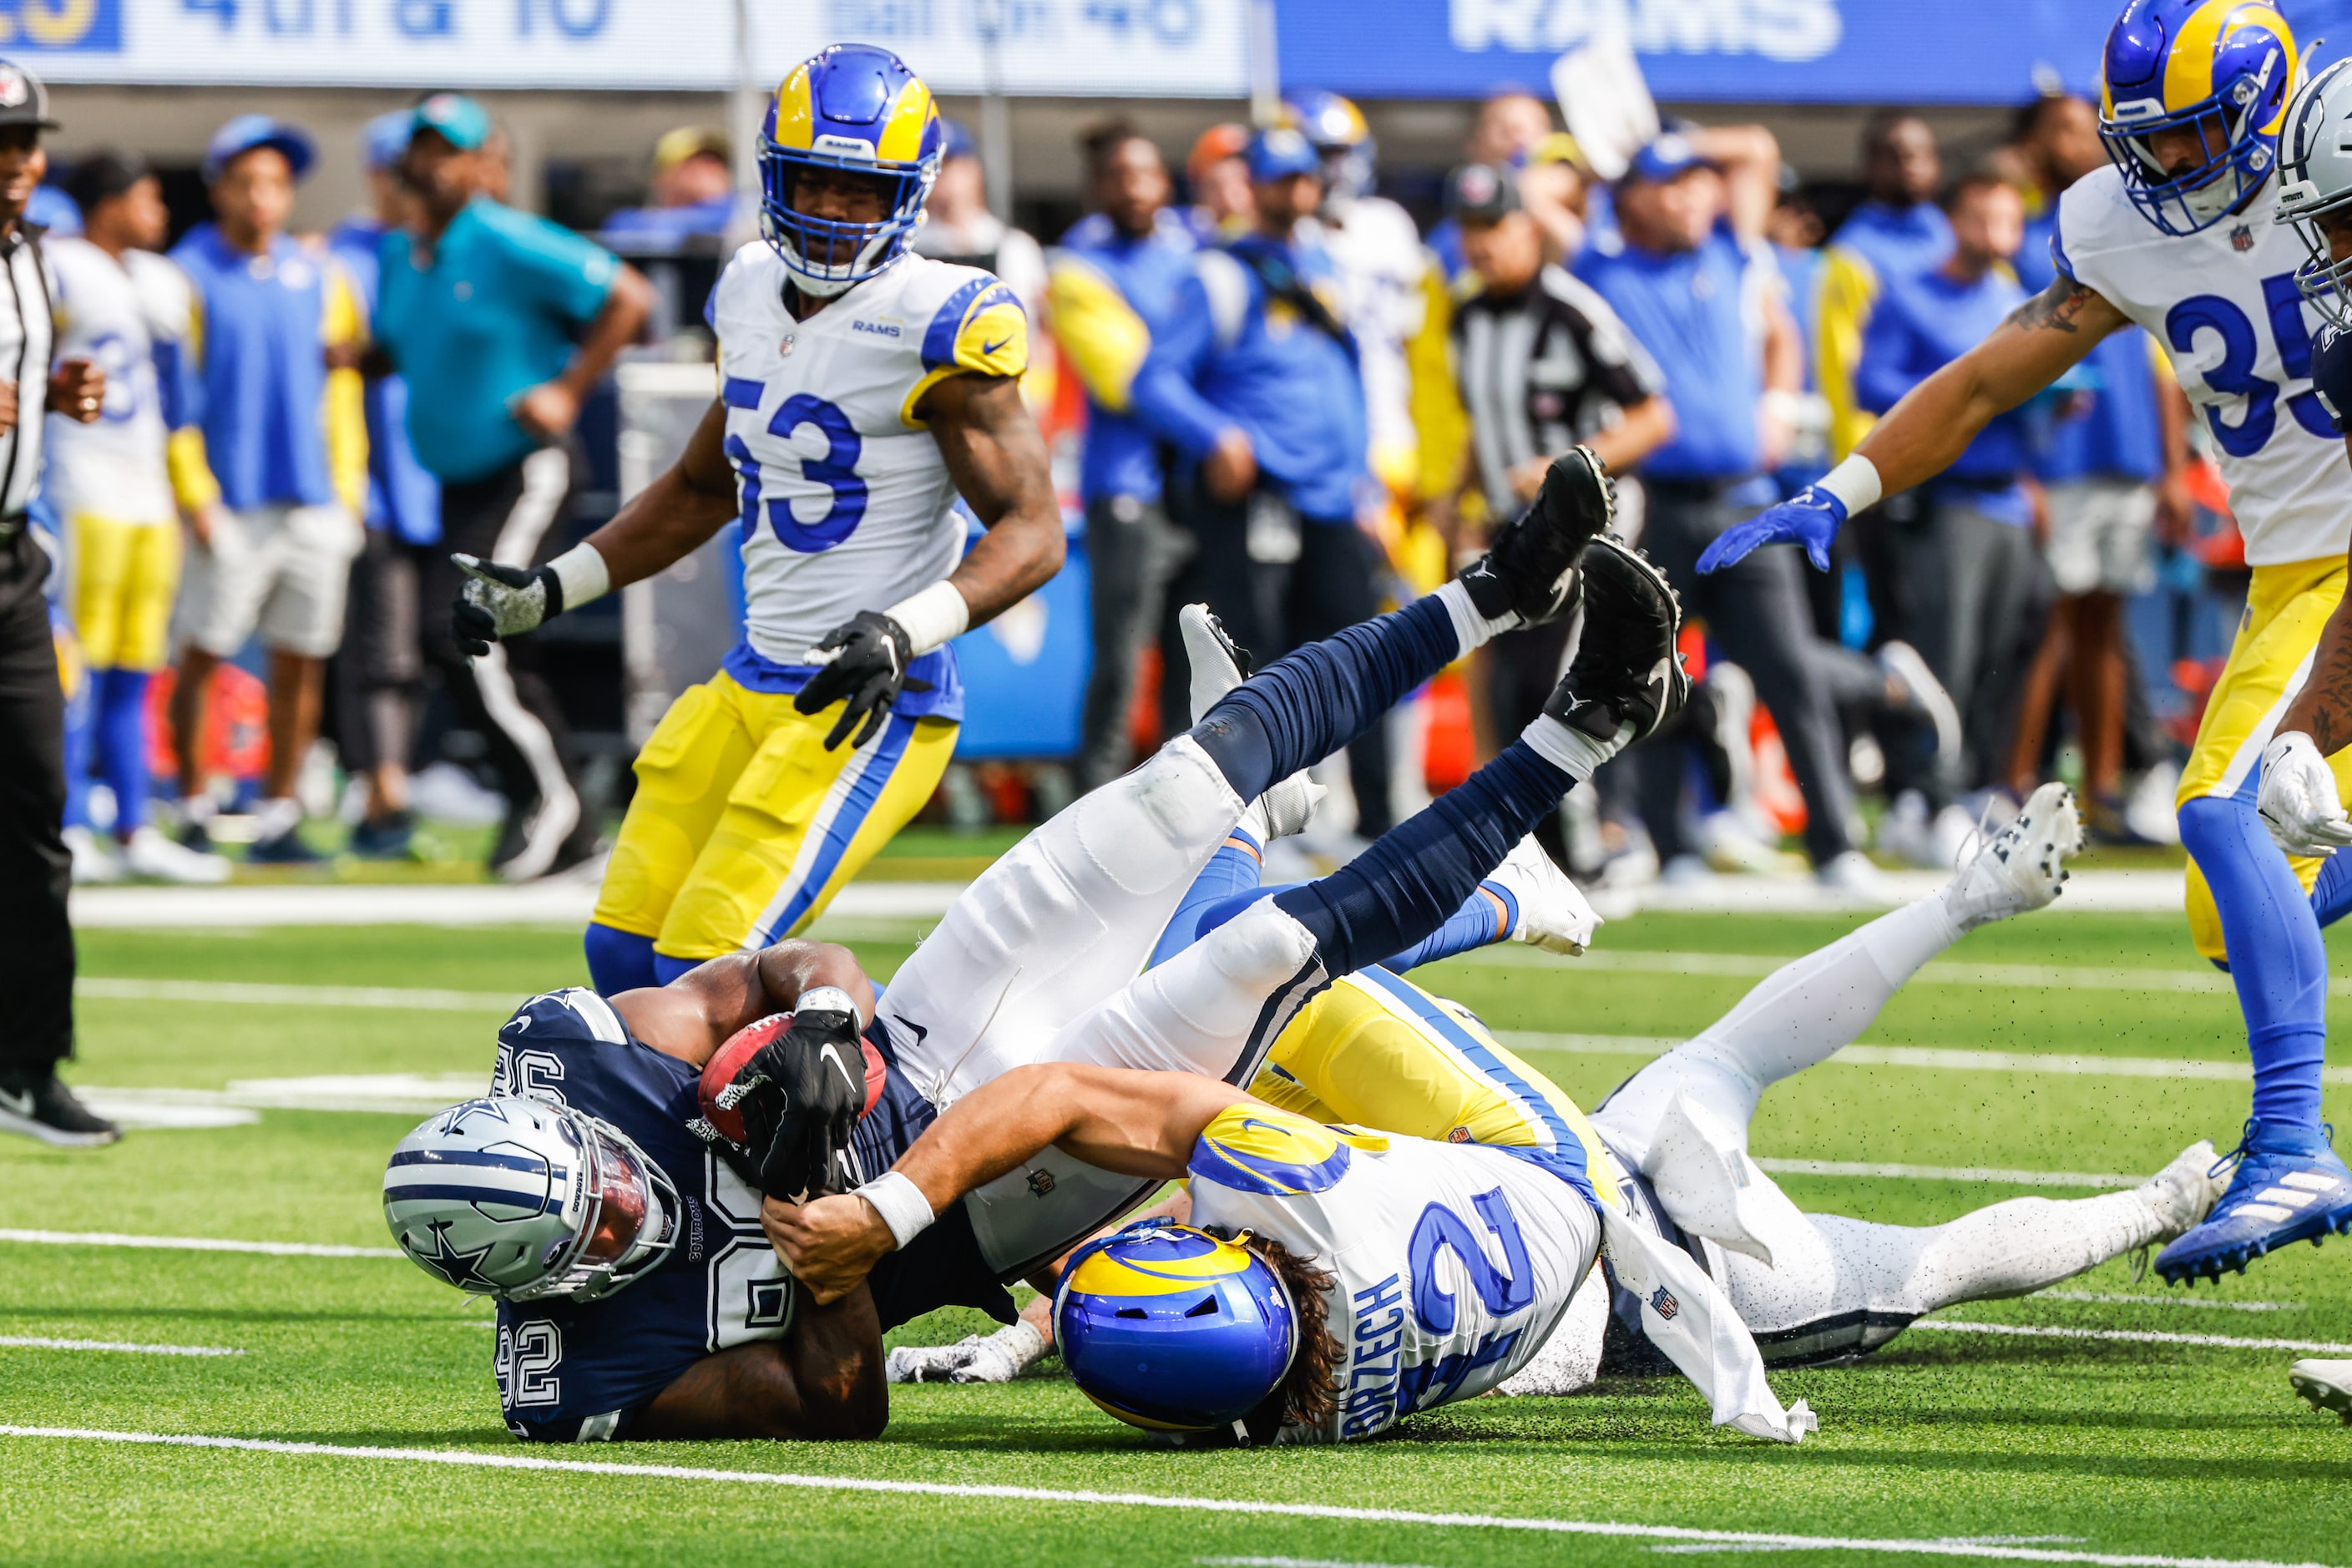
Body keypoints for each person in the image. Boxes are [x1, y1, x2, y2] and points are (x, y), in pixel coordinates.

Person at [379, 445, 1640, 1441]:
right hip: (979, 1203)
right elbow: (838, 1407)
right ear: (534, 1283)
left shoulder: (582, 1060)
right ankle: (1583, 729)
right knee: (1266, 952)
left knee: (1190, 778)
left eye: (601, 1185)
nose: (624, 1210)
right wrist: (837, 1246)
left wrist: (821, 1023)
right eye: (598, 1237)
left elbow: (778, 968)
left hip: (929, 1022)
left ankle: (1495, 592)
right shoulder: (583, 1375)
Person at [1700, 0, 2352, 1287]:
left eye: (2191, 137)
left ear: (2274, 108)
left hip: (2341, 554)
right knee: (2232, 913)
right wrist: (1845, 486)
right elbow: (1991, 377)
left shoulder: (2330, 171)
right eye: (2144, 144)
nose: (2163, 170)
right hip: (2292, 570)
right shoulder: (2120, 228)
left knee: (2226, 810)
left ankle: (2293, 1140)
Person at [896, 785, 2218, 1403]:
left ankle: (2154, 1187)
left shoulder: (1337, 1371)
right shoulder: (1302, 1215)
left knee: (1907, 1241)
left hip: (1617, 1246)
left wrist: (1031, 1333)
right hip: (1608, 1218)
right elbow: (1192, 1183)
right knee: (1898, 1236)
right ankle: (2131, 1155)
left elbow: (1182, 1235)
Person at [451, 48, 1060, 996]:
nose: (829, 210)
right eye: (811, 180)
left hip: (868, 698)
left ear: (909, 194)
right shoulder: (744, 289)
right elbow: (703, 486)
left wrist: (906, 629)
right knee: (620, 952)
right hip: (749, 677)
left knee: (702, 967)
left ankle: (838, 1122)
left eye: (860, 191)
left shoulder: (939, 319)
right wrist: (550, 588)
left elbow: (1032, 530)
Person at [1576, 128, 1893, 896]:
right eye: (1668, 183)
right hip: (1651, 509)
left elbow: (1752, 148)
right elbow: (1551, 197)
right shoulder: (1599, 268)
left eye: (1696, 180)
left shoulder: (1728, 251)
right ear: (1629, 199)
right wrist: (1618, 161)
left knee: (1789, 670)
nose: (1691, 194)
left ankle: (1834, 845)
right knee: (1652, 677)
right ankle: (1668, 841)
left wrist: (1779, 403)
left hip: (1746, 505)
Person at [372, 93, 654, 882]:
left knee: (471, 626)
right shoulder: (402, 255)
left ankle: (554, 803)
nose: (429, 163)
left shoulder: (506, 239)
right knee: (457, 639)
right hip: (458, 482)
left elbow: (631, 296)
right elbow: (402, 345)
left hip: (528, 466)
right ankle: (555, 810)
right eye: (420, 147)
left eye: (446, 149)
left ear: (479, 164)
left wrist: (568, 388)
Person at [1131, 126, 1393, 837]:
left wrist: (1364, 480)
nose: (1293, 192)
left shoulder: (1326, 267)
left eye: (1302, 178)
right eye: (1278, 179)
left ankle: (1376, 819)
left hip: (1333, 497)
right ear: (1254, 185)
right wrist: (1215, 435)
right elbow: (1152, 381)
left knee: (1364, 660)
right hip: (1259, 497)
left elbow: (1346, 384)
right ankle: (1240, 824)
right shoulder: (1219, 273)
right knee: (1254, 662)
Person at [1434, 160, 1672, 865]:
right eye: (1468, 229)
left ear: (1527, 229)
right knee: (1511, 687)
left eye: (1494, 227)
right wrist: (1456, 499)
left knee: (1569, 683)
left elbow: (1652, 417)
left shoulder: (1572, 310)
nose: (1481, 245)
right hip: (1520, 529)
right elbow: (1487, 421)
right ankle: (1534, 851)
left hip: (1595, 521)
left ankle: (1603, 840)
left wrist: (1567, 466)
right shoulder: (1465, 318)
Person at [168, 114, 367, 866]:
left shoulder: (322, 276)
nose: (263, 198)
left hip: (313, 499)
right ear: (219, 188)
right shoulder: (186, 273)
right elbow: (175, 397)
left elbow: (340, 392)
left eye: (276, 184)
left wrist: (347, 493)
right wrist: (196, 493)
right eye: (248, 182)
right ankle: (193, 805)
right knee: (204, 653)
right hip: (230, 499)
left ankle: (280, 814)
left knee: (300, 659)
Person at [46, 154, 224, 884]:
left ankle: (132, 823)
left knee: (134, 670)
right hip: (80, 480)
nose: (158, 210)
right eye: (145, 196)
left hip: (146, 488)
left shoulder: (164, 281)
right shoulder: (58, 264)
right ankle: (66, 822)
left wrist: (189, 488)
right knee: (72, 667)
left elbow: (179, 398)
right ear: (108, 202)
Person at [2002, 93, 2175, 842]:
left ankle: (2100, 793)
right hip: (2059, 459)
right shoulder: (2031, 231)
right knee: (2051, 625)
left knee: (2105, 625)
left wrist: (2169, 468)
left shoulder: (2137, 224)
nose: (2086, 141)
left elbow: (2162, 357)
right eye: (2064, 130)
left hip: (2125, 454)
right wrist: (2025, 469)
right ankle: (2012, 789)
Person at [1854, 173, 2044, 822]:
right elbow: (1870, 381)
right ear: (1954, 220)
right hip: (1945, 495)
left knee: (2005, 648)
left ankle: (1971, 788)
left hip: (2007, 496)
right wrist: (1965, 385)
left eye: (2007, 221)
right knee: (1944, 651)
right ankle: (1921, 794)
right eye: (1981, 219)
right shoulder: (1910, 295)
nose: (1995, 235)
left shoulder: (2014, 296)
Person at [0, 58, 112, 1145]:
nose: (19, 164)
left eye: (28, 142)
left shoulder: (33, 256)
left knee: (37, 818)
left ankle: (26, 1064)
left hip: (11, 564)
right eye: (1, 145)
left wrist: (52, 395)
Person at [1051, 123, 1199, 788]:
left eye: (1145, 173)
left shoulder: (1191, 248)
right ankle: (1090, 804)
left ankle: (1184, 805)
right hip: (1127, 487)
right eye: (1118, 176)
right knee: (1121, 661)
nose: (1134, 189)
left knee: (1197, 660)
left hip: (1193, 487)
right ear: (1094, 188)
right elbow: (1127, 379)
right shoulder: (1079, 265)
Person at [328, 111, 441, 861]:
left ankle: (406, 776)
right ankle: (382, 789)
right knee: (381, 646)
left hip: (446, 480)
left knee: (432, 643)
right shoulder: (344, 257)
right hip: (372, 480)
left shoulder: (447, 251)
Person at [597, 126, 735, 250]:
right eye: (694, 161)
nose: (709, 168)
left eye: (716, 161)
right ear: (661, 176)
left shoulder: (742, 209)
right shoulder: (628, 222)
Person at [1183, 123, 1253, 243]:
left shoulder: (1282, 239)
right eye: (1215, 188)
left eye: (1244, 183)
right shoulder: (1184, 240)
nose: (1229, 201)